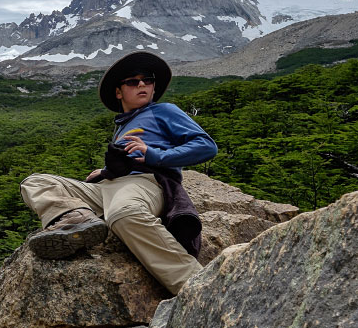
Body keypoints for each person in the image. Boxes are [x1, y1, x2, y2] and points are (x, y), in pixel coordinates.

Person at [20, 51, 217, 295]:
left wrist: (155, 155)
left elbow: (206, 146)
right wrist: (105, 172)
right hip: (109, 187)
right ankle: (76, 218)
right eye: (133, 82)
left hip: (144, 183)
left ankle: (199, 289)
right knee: (36, 182)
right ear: (119, 91)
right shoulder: (124, 125)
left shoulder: (164, 110)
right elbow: (126, 160)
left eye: (148, 80)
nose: (142, 84)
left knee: (124, 214)